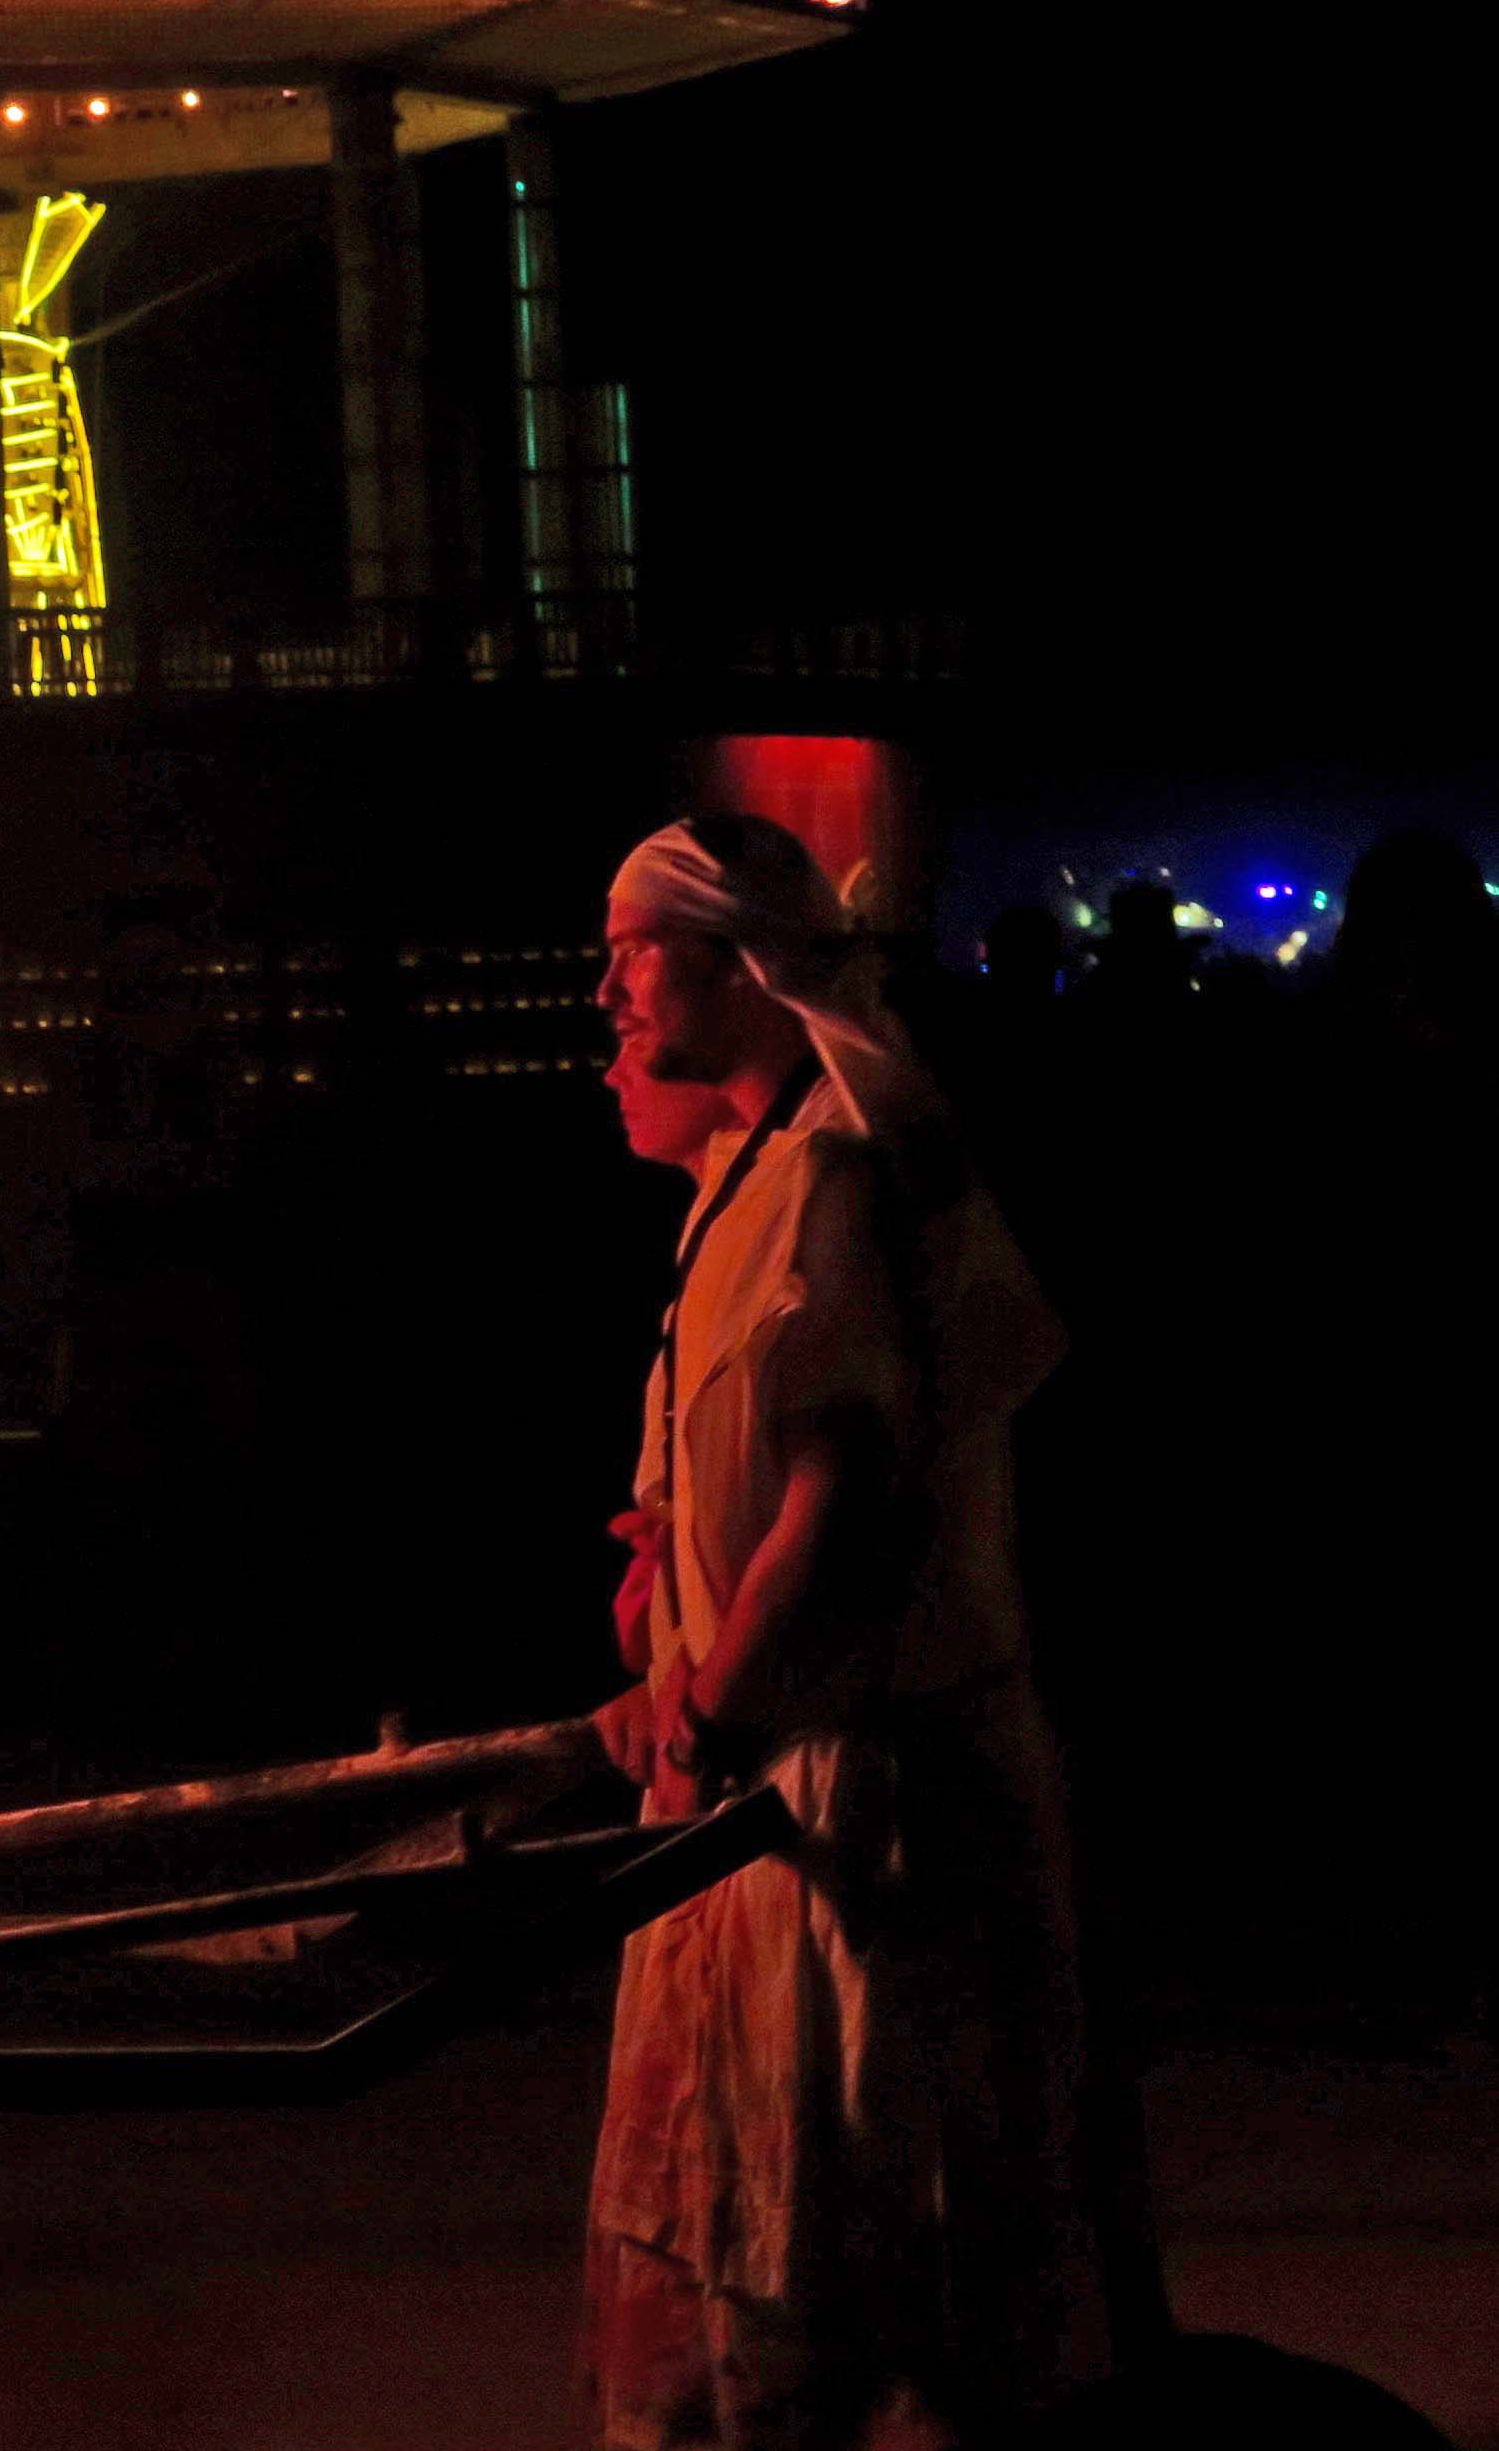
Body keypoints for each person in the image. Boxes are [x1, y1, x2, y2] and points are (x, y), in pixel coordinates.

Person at [584, 813, 1103, 2449]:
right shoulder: (734, 1176)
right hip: (761, 1792)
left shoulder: (835, 1168)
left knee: (877, 2226)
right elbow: (740, 1457)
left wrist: (712, 1701)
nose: (605, 985)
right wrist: (665, 1570)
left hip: (862, 1797)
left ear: (739, 959)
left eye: (631, 944)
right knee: (746, 2218)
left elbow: (844, 1485)